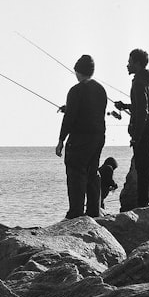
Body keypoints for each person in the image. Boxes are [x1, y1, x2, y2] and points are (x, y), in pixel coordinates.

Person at [55, 54, 107, 219]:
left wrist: (61, 140)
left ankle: (76, 212)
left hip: (80, 139)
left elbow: (69, 118)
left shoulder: (75, 90)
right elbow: (91, 110)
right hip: (98, 137)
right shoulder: (101, 90)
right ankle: (94, 211)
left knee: (75, 172)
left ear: (78, 71)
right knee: (92, 172)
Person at [114, 48, 149, 206]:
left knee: (142, 167)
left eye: (130, 62)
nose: (127, 65)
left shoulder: (138, 83)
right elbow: (143, 106)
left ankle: (143, 203)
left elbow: (142, 111)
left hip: (144, 129)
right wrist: (125, 105)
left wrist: (136, 136)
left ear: (138, 64)